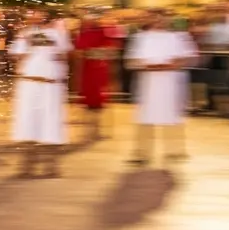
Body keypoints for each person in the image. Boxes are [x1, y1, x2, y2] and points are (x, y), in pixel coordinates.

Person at [125, 10, 198, 166]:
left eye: (161, 18)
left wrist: (170, 65)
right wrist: (150, 66)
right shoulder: (141, 38)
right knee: (145, 117)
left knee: (171, 115)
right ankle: (142, 153)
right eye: (154, 18)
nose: (158, 21)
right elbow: (132, 61)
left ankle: (175, 150)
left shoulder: (177, 37)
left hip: (169, 84)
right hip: (148, 85)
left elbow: (186, 58)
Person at [9, 6, 72, 178]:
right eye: (32, 13)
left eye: (37, 13)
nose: (34, 16)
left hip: (50, 85)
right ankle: (26, 166)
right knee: (28, 122)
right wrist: (25, 42)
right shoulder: (25, 33)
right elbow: (16, 56)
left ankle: (51, 167)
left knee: (51, 123)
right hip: (29, 83)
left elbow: (63, 56)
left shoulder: (59, 33)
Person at [72, 11, 116, 142]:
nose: (88, 21)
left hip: (99, 70)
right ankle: (88, 130)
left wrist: (90, 52)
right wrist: (91, 53)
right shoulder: (83, 33)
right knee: (88, 100)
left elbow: (109, 51)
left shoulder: (103, 32)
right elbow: (79, 53)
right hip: (87, 71)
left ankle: (97, 129)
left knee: (98, 100)